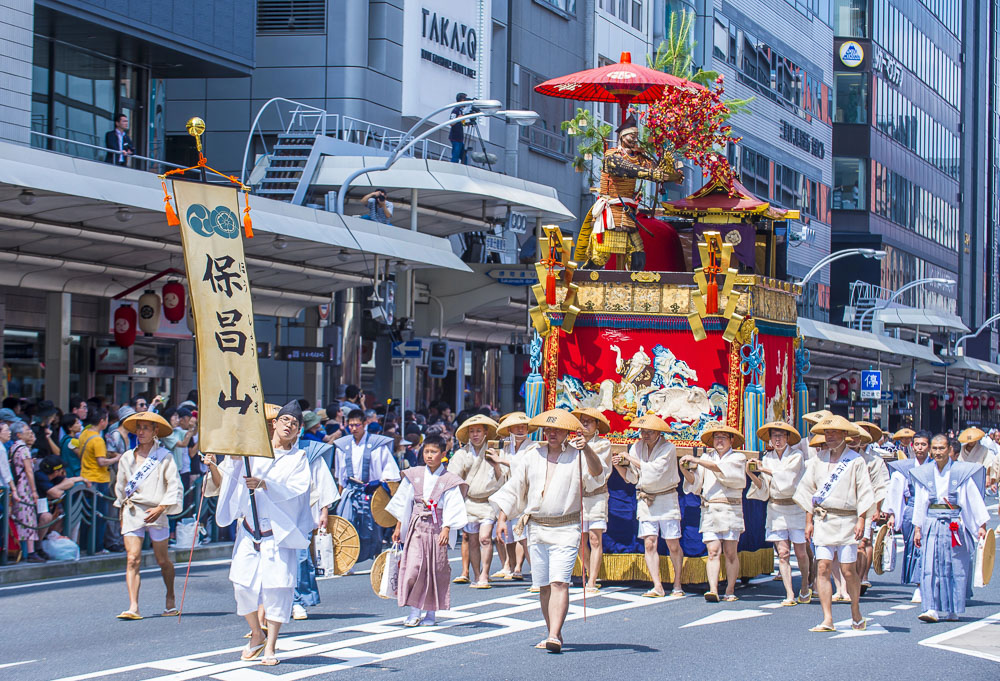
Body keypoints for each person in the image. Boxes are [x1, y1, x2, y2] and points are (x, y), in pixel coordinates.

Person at [492, 409, 604, 653]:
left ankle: (554, 634)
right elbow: (514, 488)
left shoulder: (578, 455)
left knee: (559, 582)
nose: (553, 433)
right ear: (544, 431)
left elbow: (597, 473)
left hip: (567, 527)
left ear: (566, 433)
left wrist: (586, 448)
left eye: (558, 430)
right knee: (543, 585)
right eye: (549, 429)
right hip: (537, 528)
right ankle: (554, 630)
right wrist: (502, 518)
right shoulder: (533, 455)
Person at [216, 401, 312, 667]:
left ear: (299, 430)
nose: (289, 426)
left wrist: (266, 484)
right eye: (285, 421)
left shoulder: (299, 459)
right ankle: (256, 633)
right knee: (242, 585)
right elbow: (233, 476)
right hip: (250, 529)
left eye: (294, 424)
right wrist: (232, 461)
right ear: (274, 423)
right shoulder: (254, 451)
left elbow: (298, 489)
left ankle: (271, 645)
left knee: (277, 590)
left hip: (277, 532)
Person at [793, 415, 875, 632]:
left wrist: (861, 519)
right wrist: (808, 521)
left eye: (834, 433)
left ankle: (855, 611)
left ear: (844, 435)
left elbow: (864, 491)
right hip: (823, 519)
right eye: (827, 433)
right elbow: (809, 491)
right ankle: (827, 618)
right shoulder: (818, 459)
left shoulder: (855, 460)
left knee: (848, 570)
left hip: (848, 520)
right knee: (822, 567)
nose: (829, 437)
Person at [574, 113, 683, 271]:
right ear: (622, 136)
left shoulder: (640, 158)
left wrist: (673, 174)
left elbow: (656, 171)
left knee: (638, 255)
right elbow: (624, 169)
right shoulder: (612, 156)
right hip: (611, 212)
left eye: (636, 136)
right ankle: (587, 281)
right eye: (631, 135)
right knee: (599, 257)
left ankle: (632, 288)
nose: (634, 139)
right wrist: (651, 174)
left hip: (628, 212)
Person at [387, 434, 468, 626]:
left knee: (434, 569)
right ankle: (414, 611)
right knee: (414, 567)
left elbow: (453, 505)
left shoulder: (449, 480)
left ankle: (431, 613)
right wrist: (399, 526)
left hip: (437, 527)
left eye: (434, 452)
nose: (429, 456)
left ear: (443, 454)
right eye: (426, 451)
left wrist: (446, 529)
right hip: (416, 526)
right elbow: (403, 502)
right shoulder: (413, 475)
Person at [912, 434, 990, 623]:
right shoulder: (925, 473)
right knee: (930, 565)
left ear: (949, 450)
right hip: (932, 523)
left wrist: (981, 525)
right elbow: (920, 503)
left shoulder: (960, 473)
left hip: (954, 524)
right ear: (931, 450)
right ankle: (931, 608)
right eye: (935, 449)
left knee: (954, 566)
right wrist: (917, 527)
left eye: (942, 448)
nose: (938, 452)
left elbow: (972, 499)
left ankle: (953, 608)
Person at [112, 412, 182, 620]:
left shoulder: (164, 457)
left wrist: (162, 508)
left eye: (145, 428)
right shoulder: (126, 457)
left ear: (155, 432)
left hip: (156, 511)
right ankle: (133, 606)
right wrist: (121, 509)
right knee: (132, 558)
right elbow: (121, 487)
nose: (141, 432)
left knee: (162, 560)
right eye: (138, 428)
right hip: (133, 510)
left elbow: (174, 486)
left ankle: (170, 597)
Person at [614, 413, 685, 598]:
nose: (645, 435)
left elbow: (654, 469)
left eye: (650, 432)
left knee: (673, 543)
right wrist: (620, 466)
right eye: (643, 431)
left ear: (659, 433)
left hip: (666, 497)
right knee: (649, 543)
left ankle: (677, 583)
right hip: (645, 498)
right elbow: (633, 477)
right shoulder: (637, 447)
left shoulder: (668, 448)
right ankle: (657, 585)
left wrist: (630, 459)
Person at [680, 423, 747, 602]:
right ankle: (713, 589)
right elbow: (695, 484)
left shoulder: (738, 458)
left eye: (723, 437)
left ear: (731, 440)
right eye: (716, 437)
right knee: (713, 550)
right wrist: (685, 470)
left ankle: (730, 589)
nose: (719, 440)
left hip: (730, 508)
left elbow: (726, 473)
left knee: (731, 552)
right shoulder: (706, 457)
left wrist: (699, 461)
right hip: (709, 508)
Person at [747, 421, 812, 605]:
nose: (777, 439)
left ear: (788, 438)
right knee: (782, 553)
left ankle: (806, 584)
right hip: (776, 508)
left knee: (800, 552)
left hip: (795, 506)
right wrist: (753, 474)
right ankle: (789, 592)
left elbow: (787, 478)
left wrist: (762, 468)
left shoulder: (797, 455)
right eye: (774, 436)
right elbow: (764, 486)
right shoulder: (767, 458)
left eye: (781, 436)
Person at [332, 409, 400, 565]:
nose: (354, 428)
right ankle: (346, 562)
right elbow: (341, 476)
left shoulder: (377, 444)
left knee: (372, 528)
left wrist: (380, 483)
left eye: (357, 425)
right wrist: (339, 496)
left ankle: (376, 558)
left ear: (365, 424)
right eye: (351, 425)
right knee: (346, 525)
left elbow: (389, 471)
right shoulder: (343, 446)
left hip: (371, 490)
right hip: (350, 491)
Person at [447, 414, 503, 588]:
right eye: (472, 431)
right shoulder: (462, 454)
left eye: (479, 431)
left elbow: (504, 477)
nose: (475, 434)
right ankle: (477, 574)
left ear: (486, 432)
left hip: (488, 501)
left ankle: (485, 574)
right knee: (472, 540)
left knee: (485, 538)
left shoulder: (495, 451)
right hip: (469, 502)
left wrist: (496, 464)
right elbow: (452, 477)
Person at [291, 432, 339, 621]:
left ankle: (297, 601)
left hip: (303, 512)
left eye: (294, 423)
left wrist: (324, 510)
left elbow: (322, 481)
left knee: (301, 559)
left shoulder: (310, 452)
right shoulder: (271, 449)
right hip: (276, 513)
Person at [884, 429, 931, 603]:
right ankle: (918, 584)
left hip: (931, 512)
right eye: (917, 444)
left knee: (931, 549)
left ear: (930, 447)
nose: (920, 448)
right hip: (911, 510)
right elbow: (896, 493)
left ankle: (927, 583)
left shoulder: (935, 466)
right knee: (914, 548)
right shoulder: (905, 468)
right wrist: (892, 515)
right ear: (912, 446)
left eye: (923, 444)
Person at [488, 412, 534, 581]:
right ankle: (508, 565)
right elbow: (502, 475)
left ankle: (532, 572)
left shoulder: (533, 447)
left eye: (524, 427)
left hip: (523, 494)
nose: (521, 429)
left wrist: (501, 461)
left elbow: (525, 467)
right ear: (510, 429)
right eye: (517, 427)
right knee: (505, 533)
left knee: (523, 535)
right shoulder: (506, 448)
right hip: (507, 491)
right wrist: (496, 465)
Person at [854, 421, 890, 594]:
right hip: (848, 504)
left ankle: (862, 577)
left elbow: (881, 485)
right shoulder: (844, 453)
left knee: (864, 541)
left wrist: (877, 507)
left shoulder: (874, 458)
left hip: (867, 504)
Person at [79, 407, 118, 554]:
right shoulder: (98, 440)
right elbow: (101, 461)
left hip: (85, 476)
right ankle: (97, 546)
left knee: (86, 514)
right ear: (102, 421)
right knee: (100, 515)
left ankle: (83, 545)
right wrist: (116, 458)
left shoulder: (84, 435)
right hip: (99, 479)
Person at [10, 421, 47, 562]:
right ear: (19, 434)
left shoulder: (13, 448)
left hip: (17, 486)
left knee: (20, 518)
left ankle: (21, 550)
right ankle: (30, 552)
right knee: (28, 518)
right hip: (24, 487)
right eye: (26, 430)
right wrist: (34, 491)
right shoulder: (24, 449)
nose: (29, 432)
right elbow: (29, 471)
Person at [449, 93, 471, 164]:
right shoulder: (455, 110)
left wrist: (467, 124)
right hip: (455, 138)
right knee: (455, 156)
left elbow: (461, 123)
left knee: (464, 157)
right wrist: (458, 118)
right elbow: (451, 123)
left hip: (460, 138)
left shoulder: (461, 111)